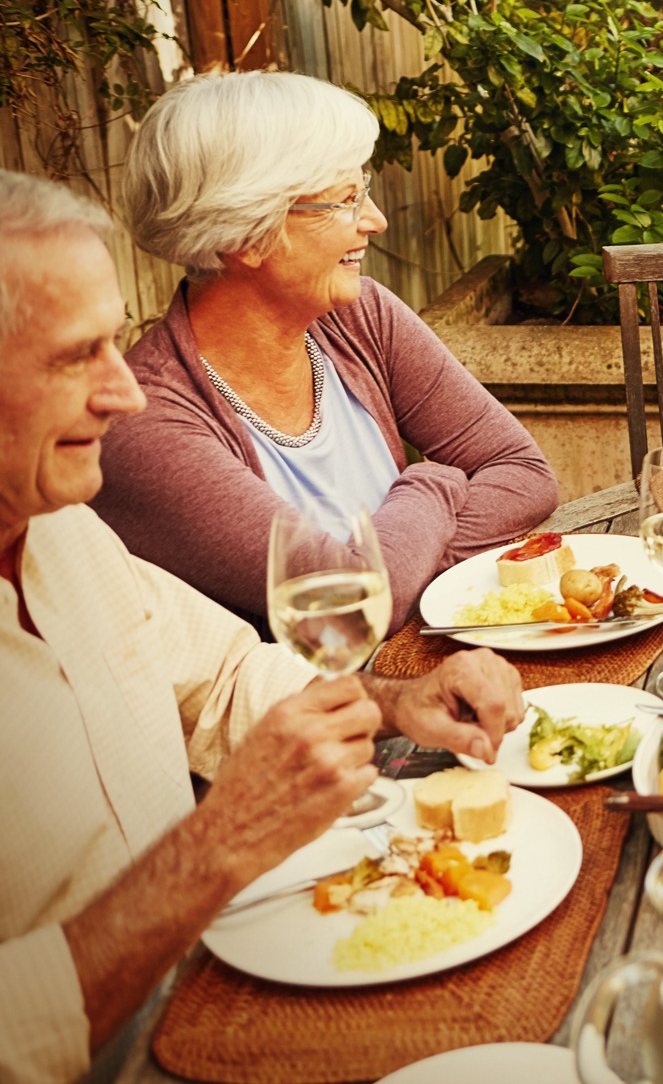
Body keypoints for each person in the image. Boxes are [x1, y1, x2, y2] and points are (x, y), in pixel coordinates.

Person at [0, 171, 527, 1084]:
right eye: (76, 356)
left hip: (228, 979)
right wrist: (217, 846)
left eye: (114, 345)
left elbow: (228, 676)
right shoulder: (145, 433)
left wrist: (397, 700)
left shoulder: (60, 531)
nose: (123, 393)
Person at [91, 72, 560, 632]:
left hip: (427, 673)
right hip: (316, 710)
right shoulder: (149, 426)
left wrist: (397, 572)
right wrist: (431, 482)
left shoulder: (360, 315)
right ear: (246, 234)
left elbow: (525, 472)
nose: (375, 219)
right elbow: (350, 608)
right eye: (345, 199)